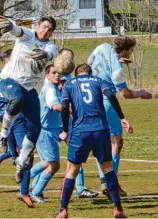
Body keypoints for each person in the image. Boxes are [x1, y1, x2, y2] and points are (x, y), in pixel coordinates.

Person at [56, 64, 132, 218]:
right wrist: (122, 117)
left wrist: (65, 129)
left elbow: (64, 107)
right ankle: (118, 208)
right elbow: (111, 95)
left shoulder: (69, 84)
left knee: (72, 170)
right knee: (108, 168)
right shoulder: (98, 80)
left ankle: (63, 210)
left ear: (77, 74)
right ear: (90, 72)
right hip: (100, 130)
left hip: (80, 132)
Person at [87, 36, 153, 197]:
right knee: (116, 141)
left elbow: (89, 62)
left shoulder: (102, 46)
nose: (131, 52)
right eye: (131, 50)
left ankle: (107, 182)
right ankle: (111, 182)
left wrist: (113, 61)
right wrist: (141, 93)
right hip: (106, 102)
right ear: (125, 50)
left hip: (89, 99)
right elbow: (125, 93)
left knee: (103, 141)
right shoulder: (117, 70)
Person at [0, 16, 58, 183]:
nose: (46, 31)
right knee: (17, 99)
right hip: (9, 81)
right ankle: (3, 134)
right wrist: (10, 25)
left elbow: (51, 53)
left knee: (35, 128)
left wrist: (44, 54)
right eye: (44, 27)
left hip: (28, 88)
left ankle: (20, 163)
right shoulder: (28, 35)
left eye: (50, 29)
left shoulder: (51, 45)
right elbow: (18, 30)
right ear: (37, 26)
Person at [0, 50, 33, 207]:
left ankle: (4, 158)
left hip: (11, 118)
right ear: (7, 61)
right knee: (26, 153)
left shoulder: (21, 75)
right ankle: (24, 192)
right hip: (13, 118)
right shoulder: (0, 76)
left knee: (17, 154)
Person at [58, 49, 99, 199]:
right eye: (66, 57)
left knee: (76, 159)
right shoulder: (56, 76)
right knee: (54, 162)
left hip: (74, 123)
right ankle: (33, 186)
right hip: (58, 123)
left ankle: (80, 188)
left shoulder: (71, 77)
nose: (69, 59)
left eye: (71, 57)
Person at [29, 64, 62, 202]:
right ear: (47, 75)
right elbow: (55, 106)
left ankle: (29, 187)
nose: (57, 75)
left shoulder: (54, 88)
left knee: (47, 162)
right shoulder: (49, 89)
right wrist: (74, 109)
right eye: (54, 73)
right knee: (53, 165)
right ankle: (34, 190)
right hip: (46, 132)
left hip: (50, 131)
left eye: (59, 73)